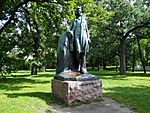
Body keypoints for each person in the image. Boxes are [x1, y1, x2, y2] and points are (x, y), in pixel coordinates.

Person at [67, 7, 91, 74]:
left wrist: (88, 38)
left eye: (79, 11)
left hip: (83, 37)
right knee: (77, 51)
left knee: (83, 53)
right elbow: (69, 29)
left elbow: (87, 30)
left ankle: (82, 68)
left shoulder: (84, 21)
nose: (78, 12)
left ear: (81, 12)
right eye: (77, 11)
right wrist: (70, 32)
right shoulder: (74, 21)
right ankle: (76, 66)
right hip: (76, 37)